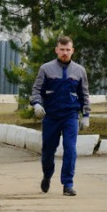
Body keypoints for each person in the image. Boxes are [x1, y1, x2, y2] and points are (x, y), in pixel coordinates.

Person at [30, 35, 90, 197]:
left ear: (72, 51)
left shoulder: (79, 71)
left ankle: (68, 184)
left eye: (67, 50)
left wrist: (86, 115)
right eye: (62, 49)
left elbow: (84, 94)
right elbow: (36, 90)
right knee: (48, 151)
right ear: (56, 50)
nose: (64, 53)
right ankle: (47, 175)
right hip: (51, 116)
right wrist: (36, 104)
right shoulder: (46, 69)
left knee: (70, 149)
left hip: (70, 115)